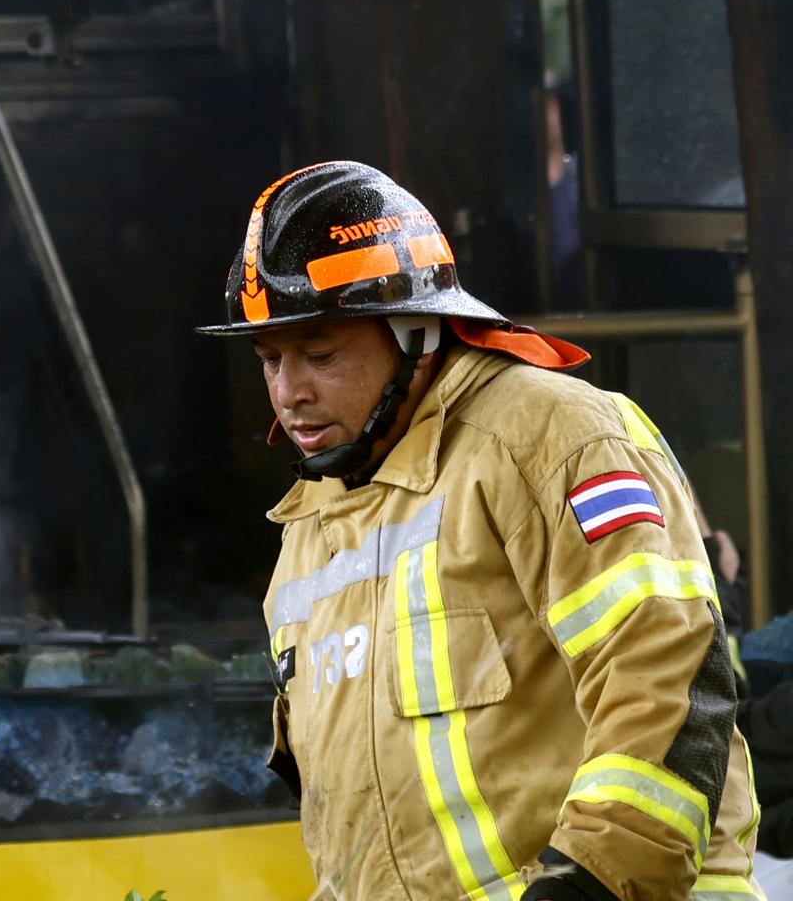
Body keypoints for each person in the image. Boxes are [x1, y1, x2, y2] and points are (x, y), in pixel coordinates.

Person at [198, 161, 759, 901]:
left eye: (321, 354)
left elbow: (667, 678)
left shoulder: (552, 436)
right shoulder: (313, 524)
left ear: (415, 331)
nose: (288, 391)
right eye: (270, 358)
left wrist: (590, 882)